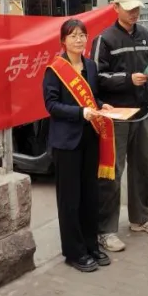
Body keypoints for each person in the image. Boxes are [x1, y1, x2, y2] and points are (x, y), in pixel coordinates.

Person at [92, 0, 148, 253]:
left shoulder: (145, 35)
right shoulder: (105, 39)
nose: (134, 13)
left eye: (137, 9)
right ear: (116, 8)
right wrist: (127, 79)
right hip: (116, 116)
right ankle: (105, 230)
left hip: (141, 113)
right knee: (112, 174)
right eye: (129, 8)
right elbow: (96, 78)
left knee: (145, 168)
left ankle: (140, 218)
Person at [42, 19, 114, 273]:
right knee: (69, 199)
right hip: (66, 143)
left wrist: (102, 106)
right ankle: (74, 252)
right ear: (63, 40)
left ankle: (91, 245)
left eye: (82, 35)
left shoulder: (90, 66)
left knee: (90, 195)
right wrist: (80, 112)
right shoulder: (55, 70)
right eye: (73, 36)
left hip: (89, 138)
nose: (79, 40)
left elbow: (93, 98)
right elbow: (51, 106)